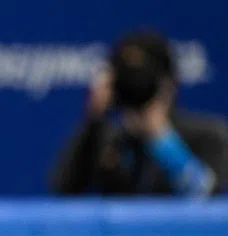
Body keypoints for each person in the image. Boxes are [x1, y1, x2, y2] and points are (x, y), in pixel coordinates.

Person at [50, 29, 228, 197]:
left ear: (169, 84)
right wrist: (94, 119)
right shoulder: (109, 140)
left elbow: (212, 199)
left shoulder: (209, 137)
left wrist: (161, 139)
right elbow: (64, 189)